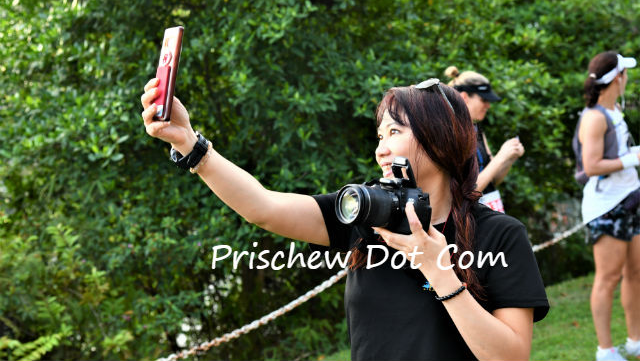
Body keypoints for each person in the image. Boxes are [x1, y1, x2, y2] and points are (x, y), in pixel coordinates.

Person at [140, 76, 548, 360]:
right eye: (379, 136)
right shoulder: (367, 214)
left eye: (394, 132)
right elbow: (264, 208)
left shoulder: (500, 235)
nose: (381, 149)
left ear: (439, 137)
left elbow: (511, 356)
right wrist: (191, 145)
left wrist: (439, 271)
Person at [577, 51, 640, 361]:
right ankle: (605, 350)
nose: (627, 78)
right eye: (625, 73)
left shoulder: (614, 111)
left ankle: (635, 341)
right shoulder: (594, 117)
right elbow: (591, 166)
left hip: (630, 200)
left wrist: (631, 156)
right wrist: (633, 158)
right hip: (606, 207)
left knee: (635, 272)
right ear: (617, 78)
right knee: (608, 278)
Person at [446, 66, 524, 212]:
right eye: (483, 99)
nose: (488, 105)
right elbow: (467, 192)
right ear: (464, 97)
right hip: (470, 217)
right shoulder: (450, 133)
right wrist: (501, 157)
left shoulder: (477, 129)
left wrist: (510, 157)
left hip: (489, 211)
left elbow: (493, 180)